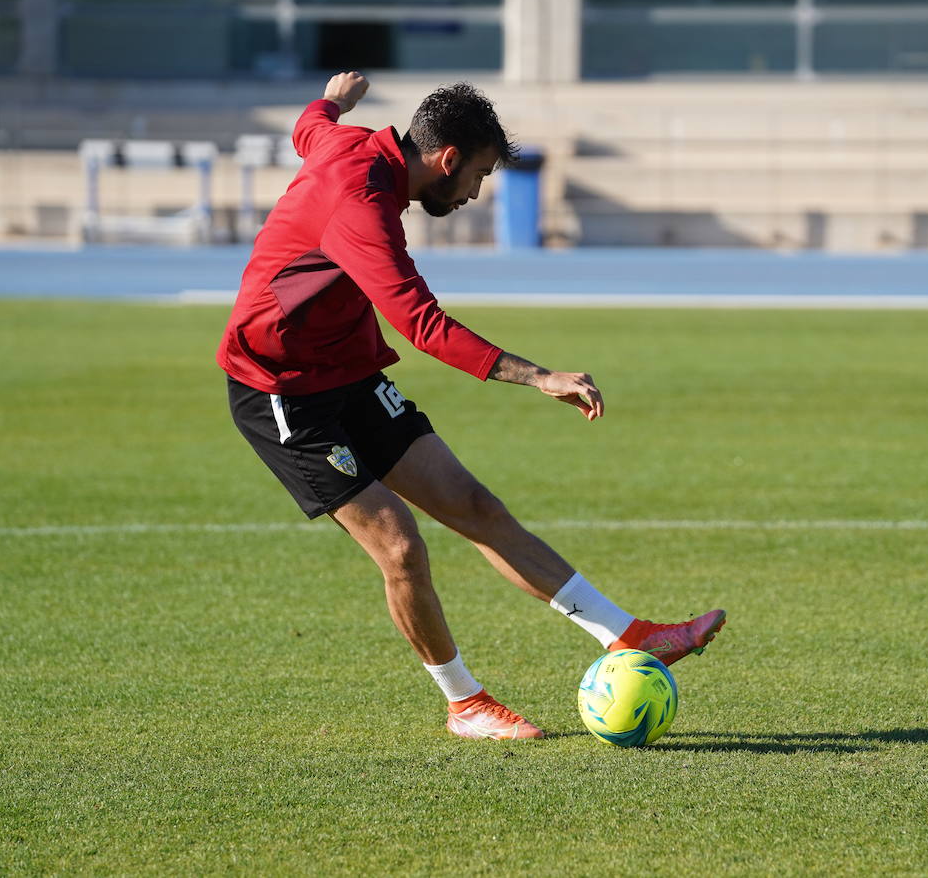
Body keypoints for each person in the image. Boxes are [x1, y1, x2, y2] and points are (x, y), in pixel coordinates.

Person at [216, 71, 725, 741]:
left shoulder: (352, 145)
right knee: (400, 547)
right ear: (447, 159)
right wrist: (538, 376)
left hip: (348, 368)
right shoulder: (362, 204)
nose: (477, 192)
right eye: (479, 175)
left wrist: (334, 101)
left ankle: (631, 637)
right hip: (280, 388)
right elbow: (423, 325)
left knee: (476, 507)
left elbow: (310, 126)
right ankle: (464, 703)